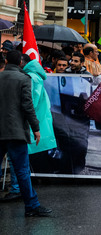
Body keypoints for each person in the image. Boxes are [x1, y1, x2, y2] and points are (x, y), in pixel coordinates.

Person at [0, 50, 52, 217]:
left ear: (6, 61)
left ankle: (32, 204)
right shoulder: (24, 79)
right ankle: (31, 205)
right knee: (22, 171)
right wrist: (36, 128)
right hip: (16, 132)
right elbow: (27, 106)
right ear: (21, 63)